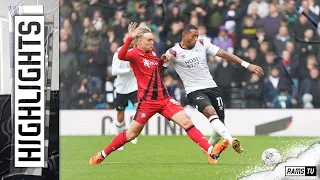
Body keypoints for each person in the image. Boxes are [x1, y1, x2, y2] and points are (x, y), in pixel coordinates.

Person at [89, 22, 228, 165]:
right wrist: (129, 39)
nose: (152, 42)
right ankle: (102, 155)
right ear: (140, 41)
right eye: (149, 40)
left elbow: (156, 68)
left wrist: (162, 61)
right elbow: (121, 55)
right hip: (147, 102)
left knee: (187, 122)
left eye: (152, 39)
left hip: (164, 98)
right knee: (131, 134)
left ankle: (210, 151)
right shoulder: (134, 54)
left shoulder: (153, 51)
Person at [164, 24, 264, 163]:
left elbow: (224, 54)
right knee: (211, 113)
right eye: (193, 36)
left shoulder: (202, 43)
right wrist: (163, 61)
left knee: (220, 123)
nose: (196, 39)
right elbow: (160, 66)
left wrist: (247, 65)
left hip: (211, 87)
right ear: (185, 35)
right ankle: (231, 140)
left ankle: (209, 150)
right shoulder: (174, 52)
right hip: (194, 90)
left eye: (197, 36)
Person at [111, 33, 138, 150]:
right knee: (120, 116)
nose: (130, 40)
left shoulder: (137, 51)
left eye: (132, 38)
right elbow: (114, 71)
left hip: (134, 87)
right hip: (121, 88)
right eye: (128, 38)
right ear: (124, 39)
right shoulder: (118, 53)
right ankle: (118, 137)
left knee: (140, 108)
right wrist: (129, 70)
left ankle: (130, 132)